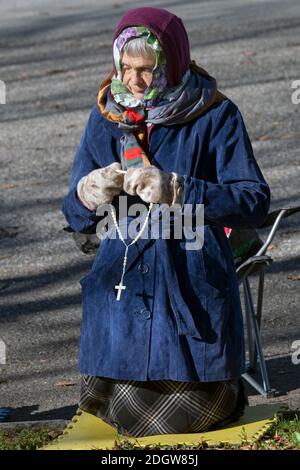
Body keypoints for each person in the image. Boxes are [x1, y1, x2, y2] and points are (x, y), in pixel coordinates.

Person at [61, 7, 270, 437]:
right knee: (115, 415)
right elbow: (75, 217)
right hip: (121, 291)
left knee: (188, 417)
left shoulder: (215, 115)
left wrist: (180, 189)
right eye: (126, 68)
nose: (134, 81)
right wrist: (88, 193)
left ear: (173, 64)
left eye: (147, 69)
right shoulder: (107, 117)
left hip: (190, 281)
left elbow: (253, 201)